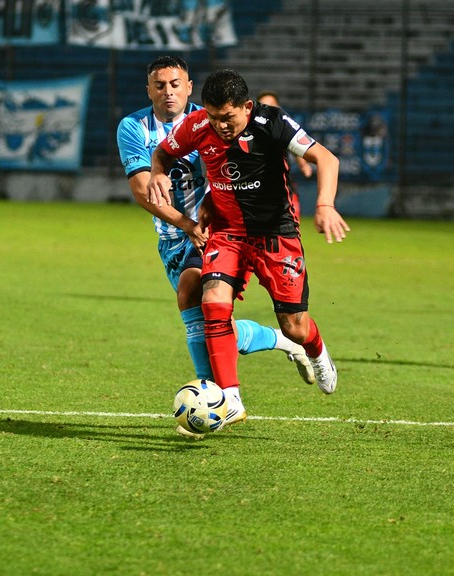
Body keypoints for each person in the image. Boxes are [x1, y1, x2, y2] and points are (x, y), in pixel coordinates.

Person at [116, 57, 315, 437]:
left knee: (195, 293)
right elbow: (143, 192)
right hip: (174, 234)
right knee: (207, 323)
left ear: (189, 87)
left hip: (216, 230)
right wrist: (184, 223)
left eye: (175, 84)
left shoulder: (212, 118)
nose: (168, 92)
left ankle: (219, 402)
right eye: (160, 85)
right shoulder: (133, 127)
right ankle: (283, 342)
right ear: (149, 90)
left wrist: (207, 216)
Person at [147, 69, 350, 426]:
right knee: (213, 301)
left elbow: (326, 159)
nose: (221, 125)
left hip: (275, 234)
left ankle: (316, 352)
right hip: (227, 232)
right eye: (214, 117)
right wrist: (158, 172)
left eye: (227, 117)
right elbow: (163, 153)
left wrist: (325, 205)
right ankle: (230, 398)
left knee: (294, 327)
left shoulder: (271, 123)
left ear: (246, 106)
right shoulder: (198, 125)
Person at [256, 90, 313, 217]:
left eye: (271, 105)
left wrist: (303, 165)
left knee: (291, 223)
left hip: (284, 186)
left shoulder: (283, 127)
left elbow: (296, 147)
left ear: (278, 107)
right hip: (258, 189)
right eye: (264, 105)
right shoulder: (251, 130)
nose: (268, 109)